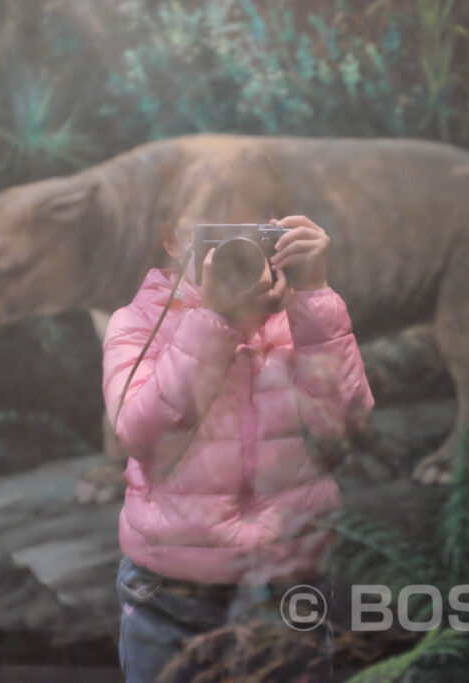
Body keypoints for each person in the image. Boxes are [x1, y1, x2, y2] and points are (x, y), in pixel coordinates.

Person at [103, 214, 374, 681]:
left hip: (287, 576)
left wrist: (315, 293)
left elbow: (344, 424)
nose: (235, 242)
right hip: (172, 588)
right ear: (173, 239)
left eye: (252, 225)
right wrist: (216, 320)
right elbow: (142, 435)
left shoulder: (300, 316)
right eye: (216, 227)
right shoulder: (138, 320)